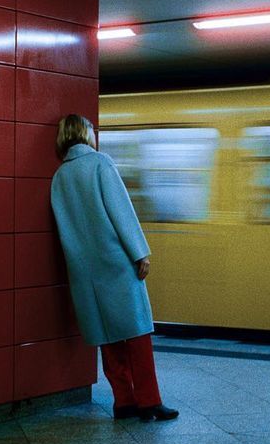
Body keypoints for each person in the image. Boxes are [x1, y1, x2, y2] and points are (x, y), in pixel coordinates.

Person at [50, 114, 179, 422]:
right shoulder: (100, 163)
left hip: (85, 272)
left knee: (108, 337)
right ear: (85, 133)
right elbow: (120, 210)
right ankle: (149, 401)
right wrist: (140, 253)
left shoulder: (59, 177)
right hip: (116, 264)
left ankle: (124, 402)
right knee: (137, 333)